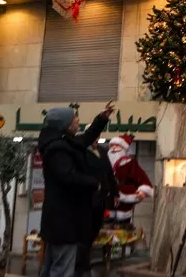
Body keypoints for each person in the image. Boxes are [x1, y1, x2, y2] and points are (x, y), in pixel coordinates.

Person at [38, 101, 114, 277]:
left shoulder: (63, 142)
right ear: (65, 124)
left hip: (61, 221)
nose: (78, 121)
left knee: (50, 267)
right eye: (74, 119)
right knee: (62, 269)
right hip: (64, 221)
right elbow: (69, 177)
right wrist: (95, 183)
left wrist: (102, 119)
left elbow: (86, 138)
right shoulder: (57, 149)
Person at [74, 135, 119, 276]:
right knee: (84, 232)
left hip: (101, 198)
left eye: (97, 137)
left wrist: (115, 193)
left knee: (95, 228)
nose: (95, 139)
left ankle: (84, 258)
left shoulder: (102, 151)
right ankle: (81, 265)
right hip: (86, 198)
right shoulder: (80, 152)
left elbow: (109, 173)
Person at [105, 134, 154, 223]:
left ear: (123, 148)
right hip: (107, 201)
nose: (113, 148)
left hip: (125, 200)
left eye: (117, 145)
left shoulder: (130, 163)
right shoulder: (103, 162)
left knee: (124, 228)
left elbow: (142, 178)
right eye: (112, 145)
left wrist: (142, 191)